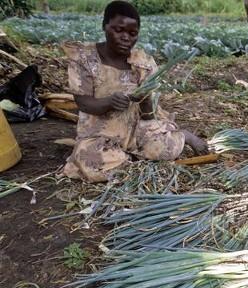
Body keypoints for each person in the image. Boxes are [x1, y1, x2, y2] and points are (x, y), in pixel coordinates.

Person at [62, 1, 207, 183]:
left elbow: (148, 116)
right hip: (101, 133)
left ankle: (182, 136)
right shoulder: (84, 59)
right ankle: (134, 159)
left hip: (138, 129)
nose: (126, 38)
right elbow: (83, 103)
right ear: (104, 26)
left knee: (162, 149)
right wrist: (109, 102)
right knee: (89, 158)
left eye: (132, 33)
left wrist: (145, 100)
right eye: (119, 30)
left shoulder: (143, 64)